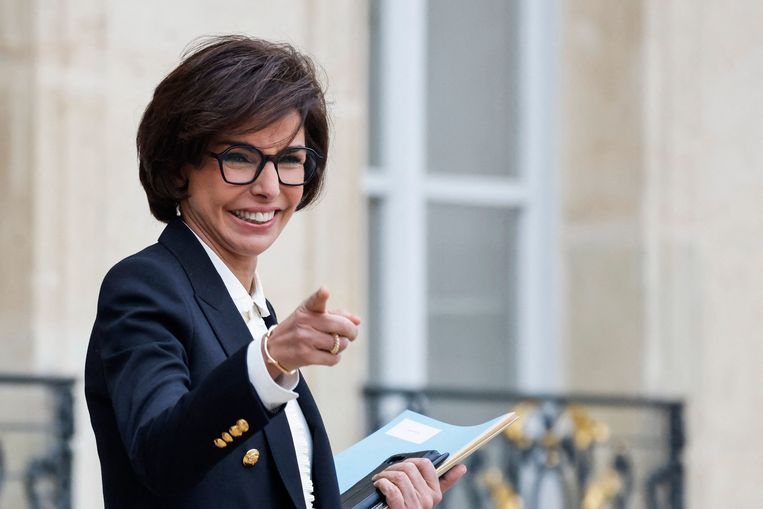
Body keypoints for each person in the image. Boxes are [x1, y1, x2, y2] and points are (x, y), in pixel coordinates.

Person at [84, 35, 465, 509]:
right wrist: (270, 359)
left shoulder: (252, 312)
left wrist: (385, 501)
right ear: (180, 167)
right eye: (240, 158)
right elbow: (161, 455)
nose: (269, 187)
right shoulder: (146, 287)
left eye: (289, 161)